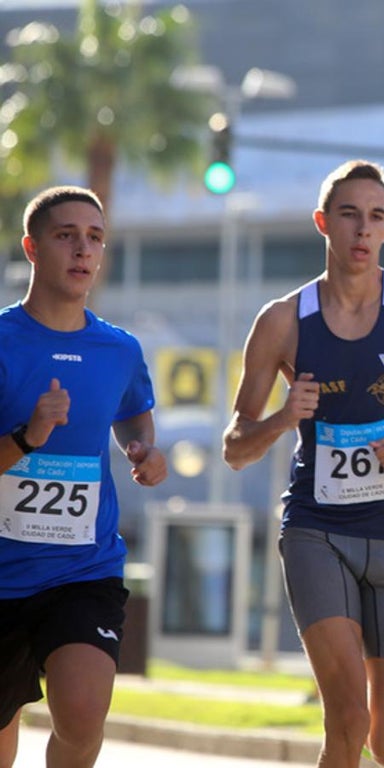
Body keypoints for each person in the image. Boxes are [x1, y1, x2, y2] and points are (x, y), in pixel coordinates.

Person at [222, 160, 384, 768]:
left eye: (376, 216)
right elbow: (235, 446)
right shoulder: (282, 319)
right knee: (348, 715)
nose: (363, 229)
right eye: (349, 215)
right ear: (323, 223)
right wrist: (285, 418)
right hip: (316, 529)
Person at [0, 186, 168, 768]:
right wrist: (27, 438)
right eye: (65, 234)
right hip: (1, 574)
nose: (83, 248)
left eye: (94, 237)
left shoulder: (118, 348)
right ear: (32, 247)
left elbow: (131, 414)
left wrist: (143, 450)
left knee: (82, 711)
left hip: (82, 566)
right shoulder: (1, 341)